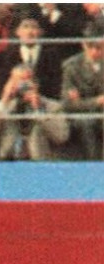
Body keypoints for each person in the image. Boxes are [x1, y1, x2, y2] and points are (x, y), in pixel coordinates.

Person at [0, 64, 71, 162]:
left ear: (35, 84)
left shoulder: (52, 107)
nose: (21, 86)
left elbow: (61, 137)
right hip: (8, 161)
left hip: (39, 163)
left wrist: (38, 110)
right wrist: (3, 102)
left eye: (25, 81)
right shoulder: (4, 107)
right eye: (16, 81)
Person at [60, 20, 104, 161]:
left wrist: (82, 100)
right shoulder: (72, 67)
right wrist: (97, 101)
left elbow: (78, 101)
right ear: (83, 45)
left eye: (99, 47)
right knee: (86, 123)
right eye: (90, 47)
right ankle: (92, 166)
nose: (94, 52)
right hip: (83, 115)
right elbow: (69, 104)